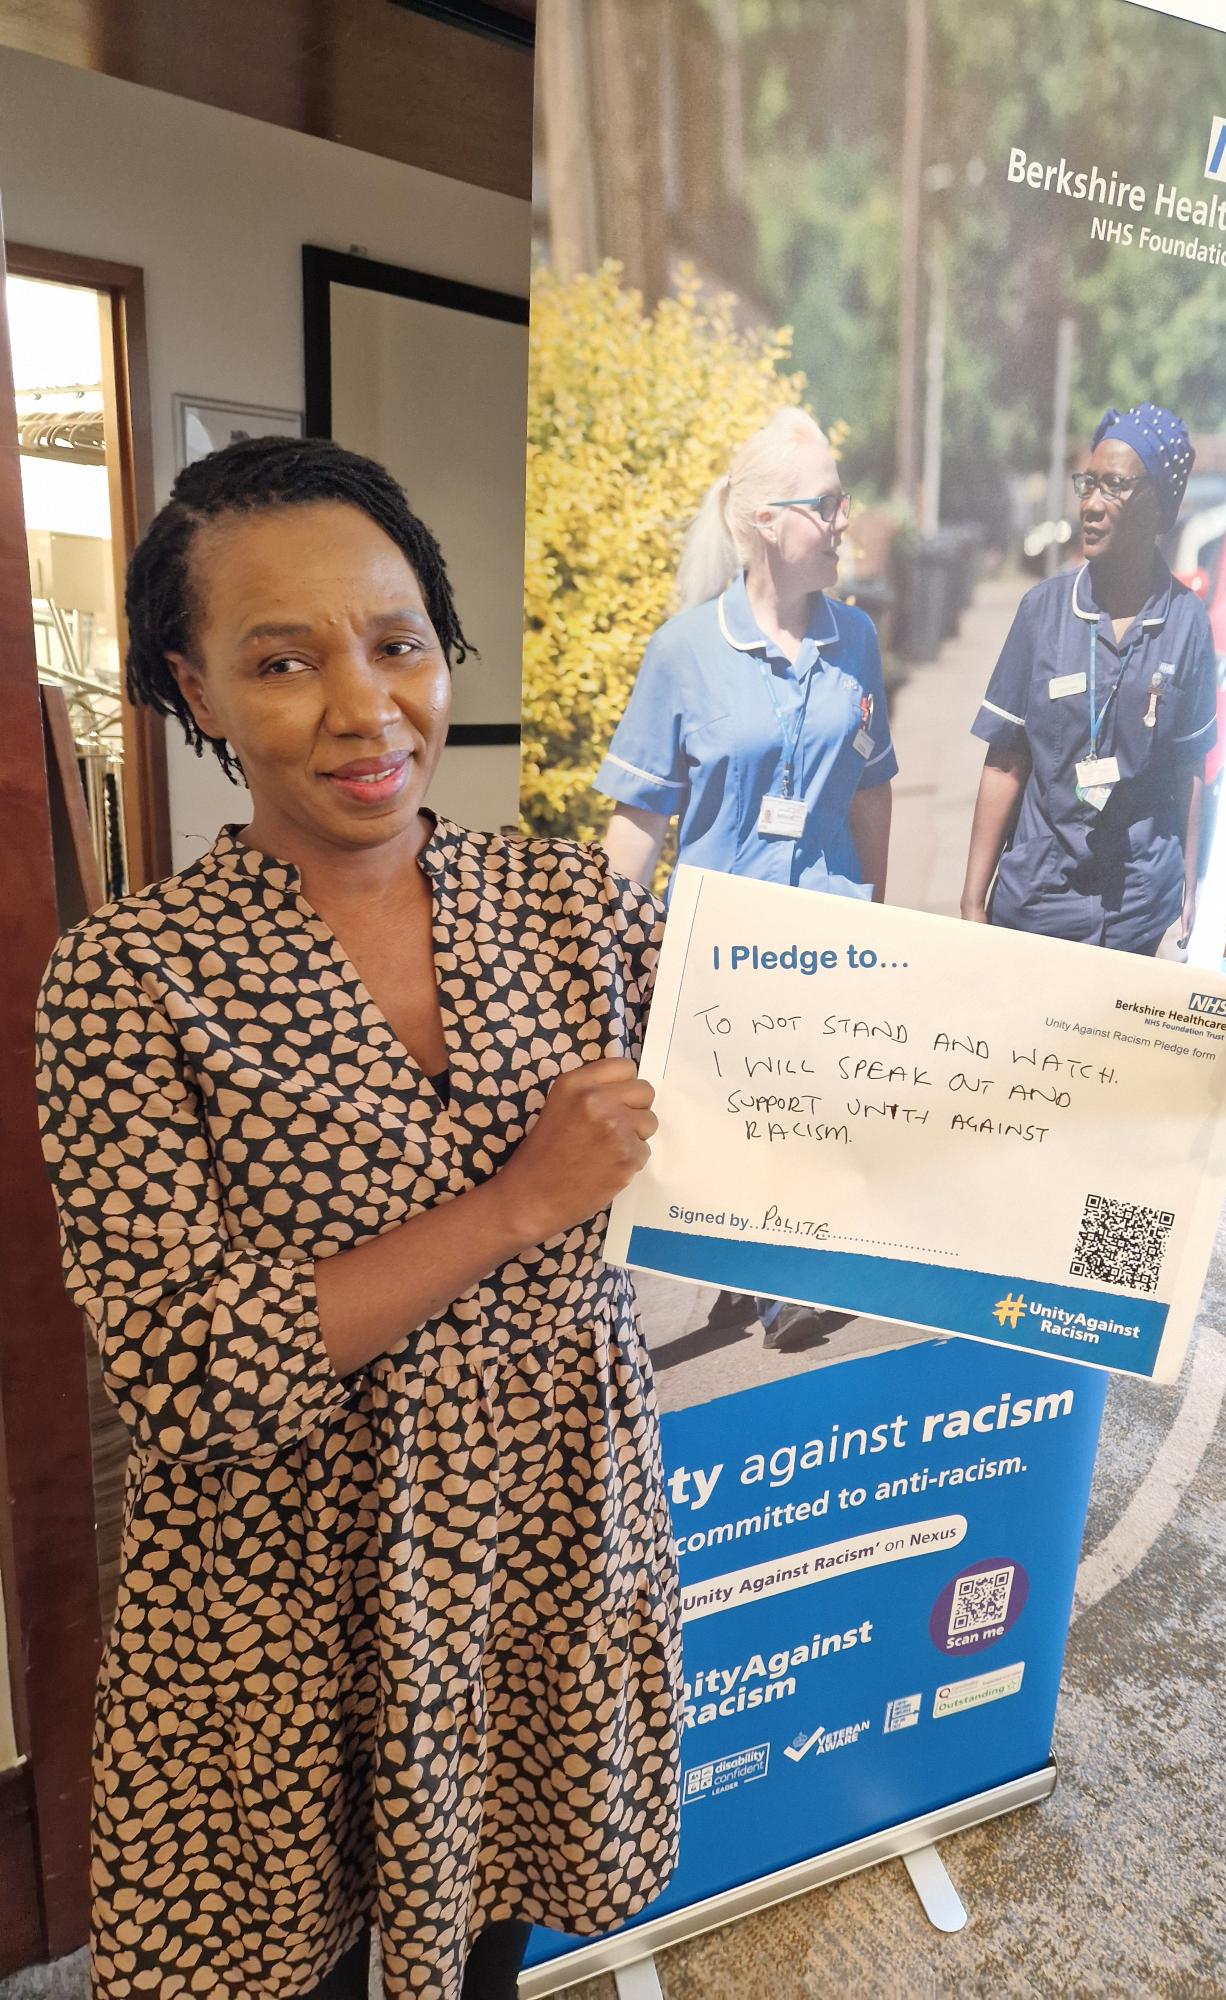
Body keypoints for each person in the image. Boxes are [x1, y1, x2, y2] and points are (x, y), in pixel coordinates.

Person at [33, 437, 678, 2000]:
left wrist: (1165, 1071)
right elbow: (191, 1374)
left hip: (541, 1532)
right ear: (192, 692)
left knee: (487, 1945)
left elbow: (838, 1078)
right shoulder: (128, 978)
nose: (362, 707)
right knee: (288, 1971)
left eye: (395, 644)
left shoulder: (573, 908)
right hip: (285, 1578)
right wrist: (527, 1200)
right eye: (282, 660)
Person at [596, 406, 896, 1347]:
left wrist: (880, 913)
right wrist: (595, 952)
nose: (846, 520)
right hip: (722, 950)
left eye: (845, 502)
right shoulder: (685, 650)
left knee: (813, 1121)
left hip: (832, 936)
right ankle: (750, 1278)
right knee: (732, 1132)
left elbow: (872, 787)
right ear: (769, 522)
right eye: (827, 504)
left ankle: (780, 1279)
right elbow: (641, 818)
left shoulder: (860, 643)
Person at [962, 401, 1215, 957]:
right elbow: (1006, 759)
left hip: (1137, 909)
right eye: (1088, 484)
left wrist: (1193, 887)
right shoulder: (1042, 613)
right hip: (1037, 900)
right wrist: (971, 905)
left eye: (1116, 488)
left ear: (1158, 506)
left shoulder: (1186, 622)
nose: (1092, 506)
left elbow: (1189, 766)